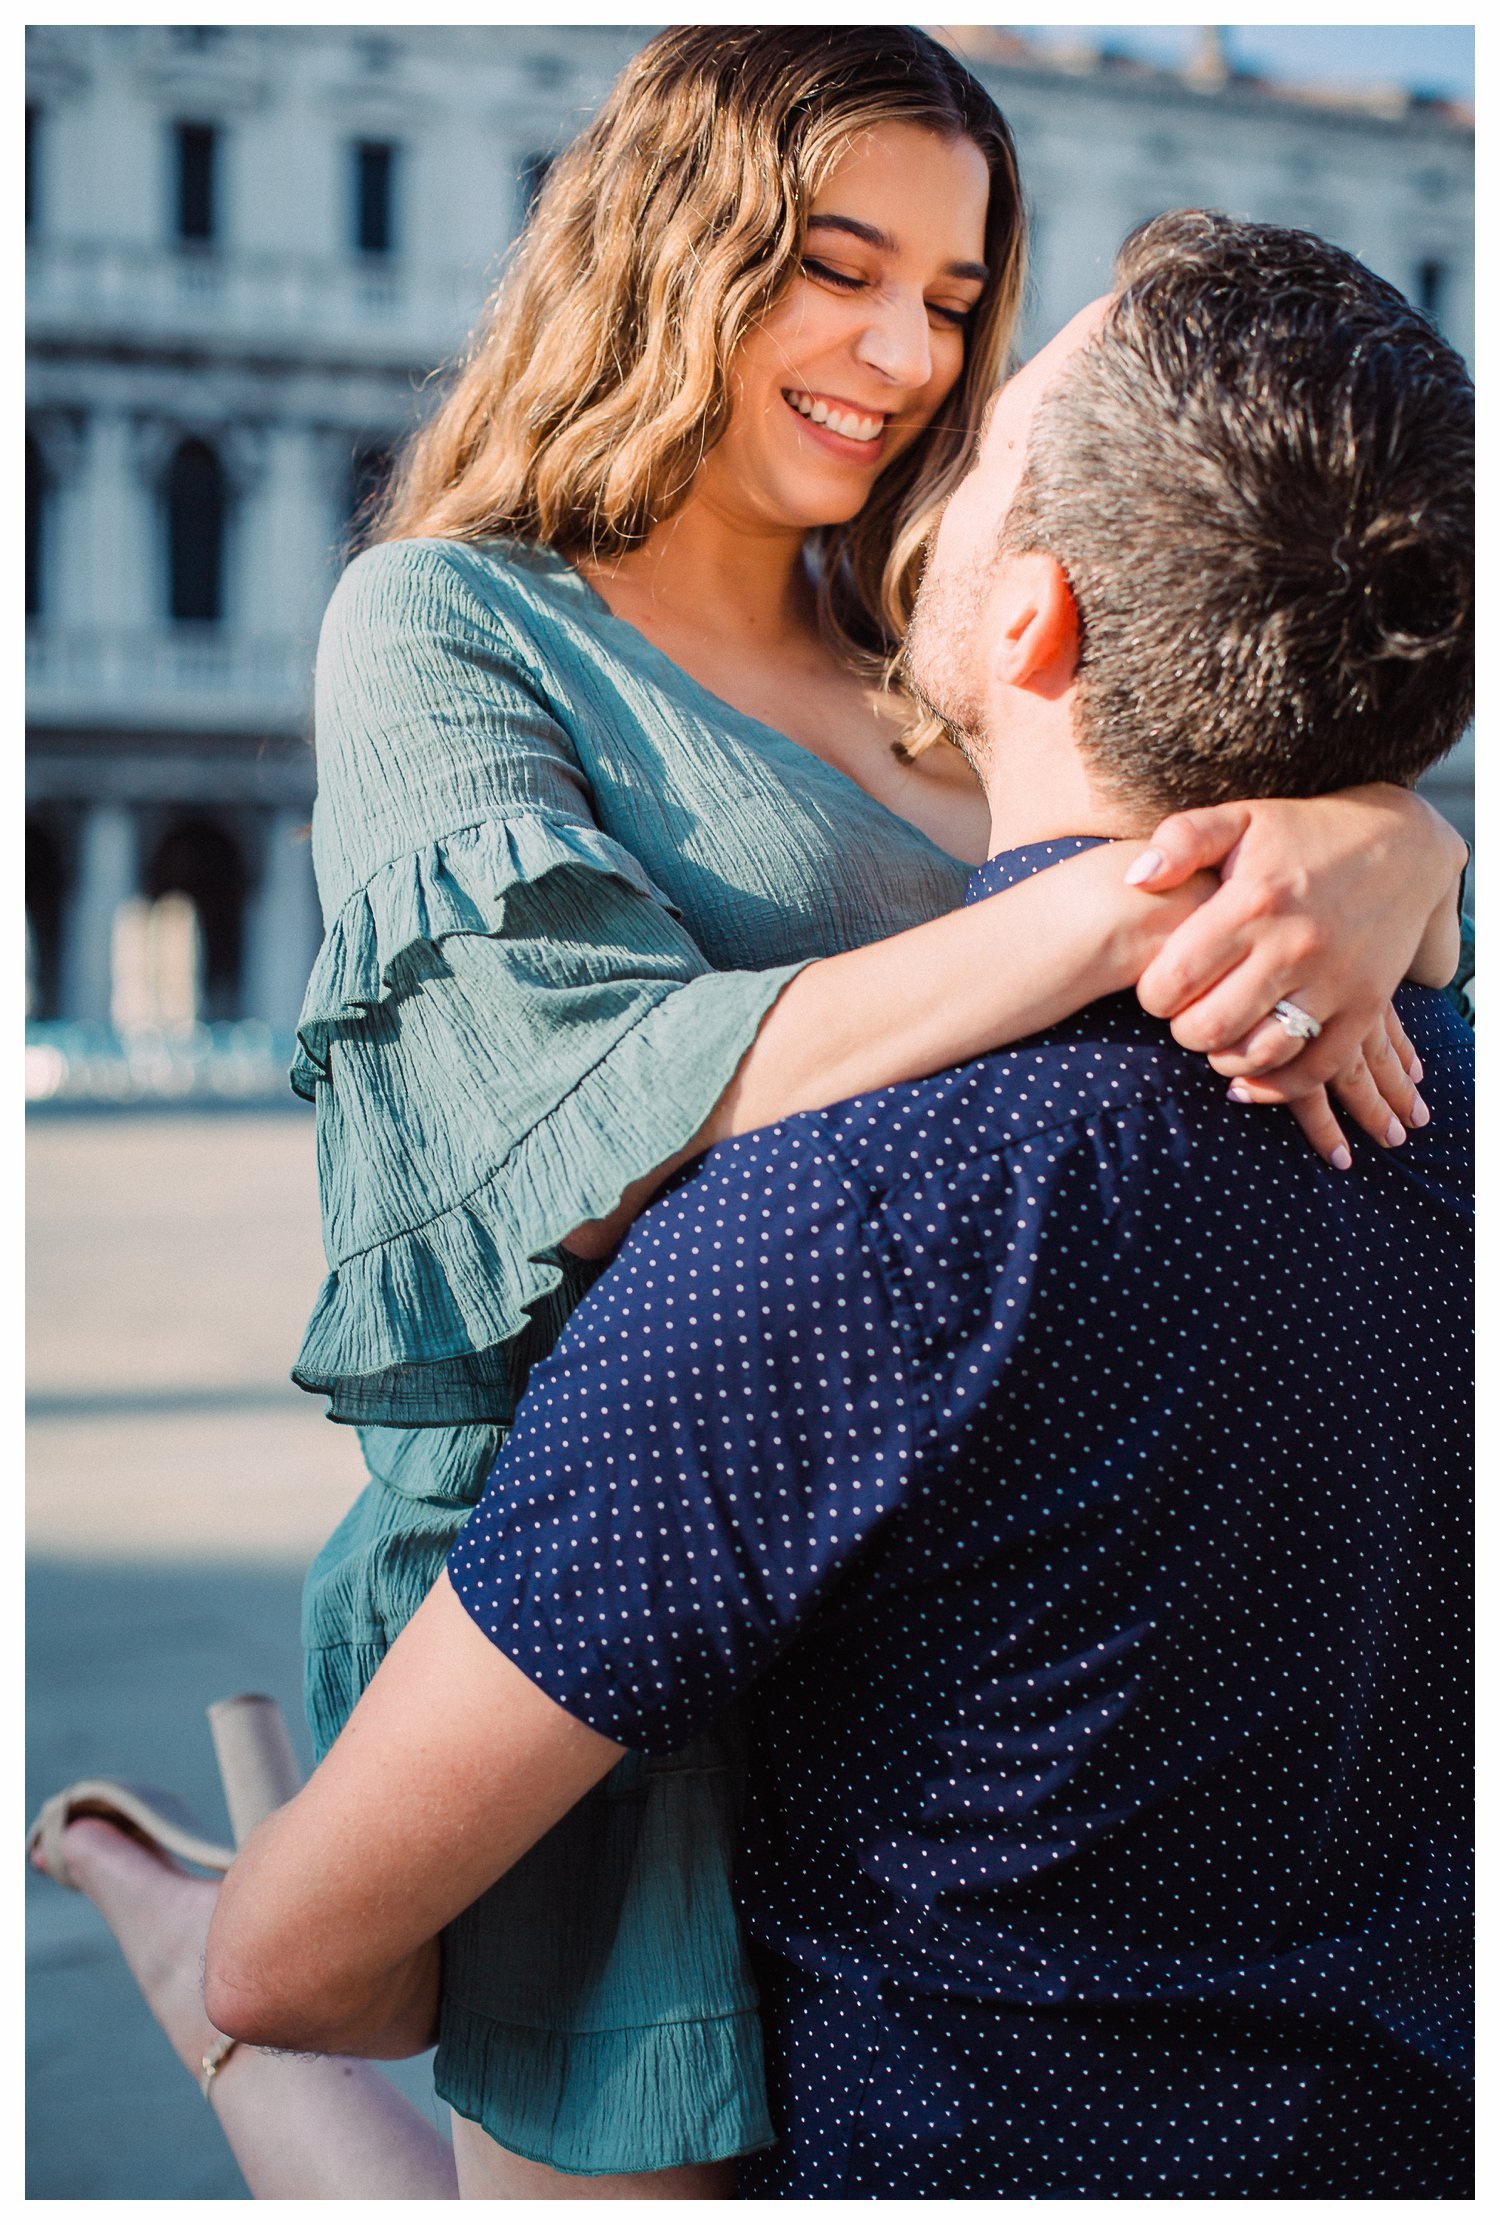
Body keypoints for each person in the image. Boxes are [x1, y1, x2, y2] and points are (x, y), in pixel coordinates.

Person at [32, 28, 1466, 2203]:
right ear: (666, 249)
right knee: (384, 2069)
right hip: (567, 1590)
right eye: (835, 263)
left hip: (873, 1574)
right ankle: (167, 1922)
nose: (905, 351)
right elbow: (561, 1134)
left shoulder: (910, 624)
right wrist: (1110, 919)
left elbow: (1179, 701)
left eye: (963, 298)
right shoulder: (445, 625)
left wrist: (1385, 836)